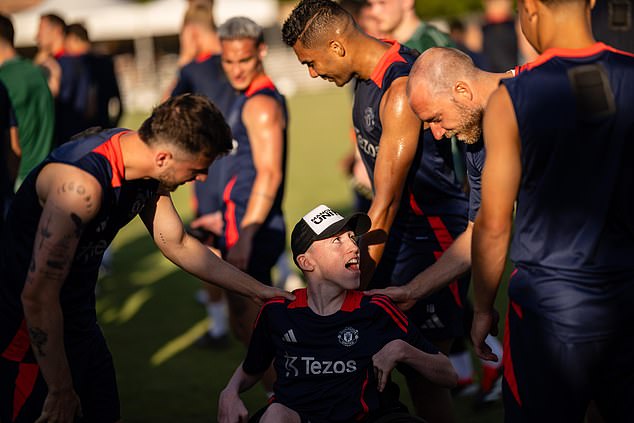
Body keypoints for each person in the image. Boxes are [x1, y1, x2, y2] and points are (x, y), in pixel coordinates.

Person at [0, 94, 293, 423]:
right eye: (197, 169)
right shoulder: (80, 188)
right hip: (26, 335)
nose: (202, 179)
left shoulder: (146, 169)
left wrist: (258, 290)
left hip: (80, 324)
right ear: (165, 156)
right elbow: (38, 296)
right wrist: (59, 388)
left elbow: (177, 242)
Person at [282, 2, 469, 422]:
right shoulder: (366, 71)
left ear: (337, 45)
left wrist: (346, 286)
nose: (312, 74)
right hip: (392, 237)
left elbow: (385, 204)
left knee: (424, 368)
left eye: (312, 63)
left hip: (431, 241)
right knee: (369, 359)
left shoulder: (398, 89)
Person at [471, 0, 634, 421]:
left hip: (549, 312)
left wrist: (483, 307)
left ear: (530, 8)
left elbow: (493, 225)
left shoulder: (514, 97)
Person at [218, 204, 457, 423]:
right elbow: (253, 367)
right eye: (337, 241)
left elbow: (448, 375)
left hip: (371, 418)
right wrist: (230, 391)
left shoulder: (376, 309)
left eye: (353, 238)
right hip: (298, 417)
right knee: (275, 414)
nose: (354, 247)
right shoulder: (278, 312)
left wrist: (403, 350)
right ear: (306, 262)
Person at [370, 46, 511, 406]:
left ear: (461, 92)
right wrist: (414, 290)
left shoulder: (542, 93)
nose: (434, 134)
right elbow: (479, 231)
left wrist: (482, 307)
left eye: (434, 118)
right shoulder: (475, 138)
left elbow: (496, 229)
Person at [199, 16, 288, 394]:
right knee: (243, 321)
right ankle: (283, 398)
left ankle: (286, 402)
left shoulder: (261, 105)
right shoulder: (246, 97)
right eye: (229, 61)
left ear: (261, 52)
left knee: (255, 324)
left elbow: (269, 175)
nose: (236, 69)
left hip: (253, 228)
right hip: (236, 221)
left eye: (244, 60)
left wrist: (246, 233)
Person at [171, 2, 238, 348]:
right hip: (243, 167)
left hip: (210, 173)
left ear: (193, 33)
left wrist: (183, 60)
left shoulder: (193, 69)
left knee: (207, 248)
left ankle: (218, 328)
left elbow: (167, 116)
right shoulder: (235, 62)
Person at [0, 14, 54, 190]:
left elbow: (12, 143)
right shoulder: (35, 71)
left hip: (18, 180)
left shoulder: (5, 79)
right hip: (45, 173)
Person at [64, 22, 124, 130]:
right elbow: (118, 100)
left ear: (74, 39)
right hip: (102, 128)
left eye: (66, 42)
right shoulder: (105, 61)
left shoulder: (75, 64)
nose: (65, 47)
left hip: (80, 131)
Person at [366, 0, 453, 53]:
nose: (374, 12)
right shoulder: (386, 45)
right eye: (370, 4)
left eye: (382, 3)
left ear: (407, 1)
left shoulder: (433, 44)